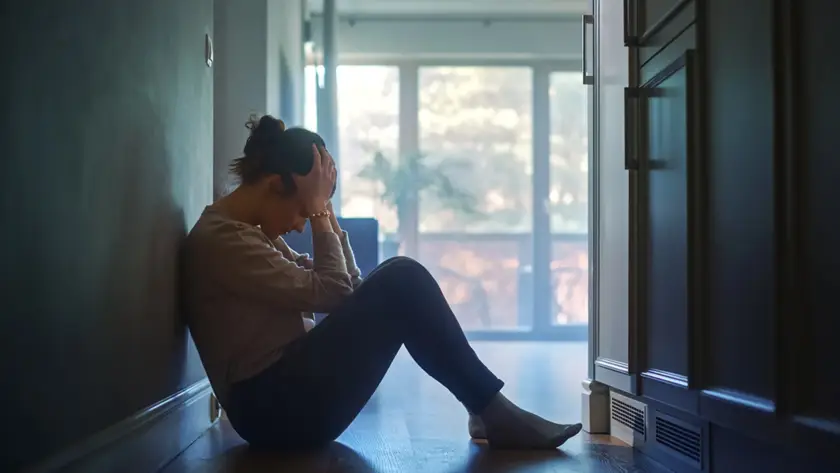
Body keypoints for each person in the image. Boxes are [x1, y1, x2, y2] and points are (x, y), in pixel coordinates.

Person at [183, 114, 583, 451]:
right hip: (273, 413)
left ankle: (487, 411)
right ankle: (491, 412)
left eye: (309, 215)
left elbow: (348, 290)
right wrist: (321, 212)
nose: (300, 225)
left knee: (399, 276)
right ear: (274, 186)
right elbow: (336, 292)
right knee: (403, 277)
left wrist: (324, 212)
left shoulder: (248, 235)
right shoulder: (224, 241)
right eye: (302, 212)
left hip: (285, 398)